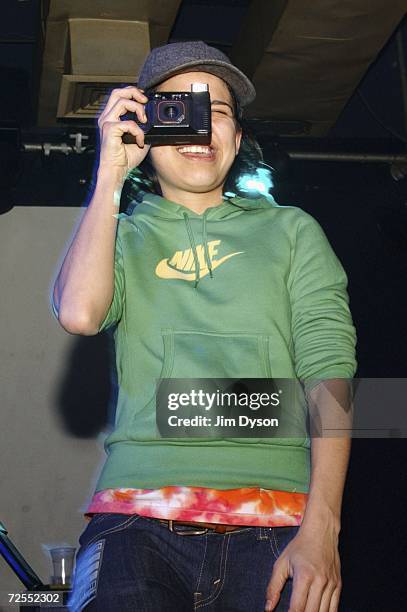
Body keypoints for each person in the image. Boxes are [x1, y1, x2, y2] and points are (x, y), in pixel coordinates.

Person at [52, 41, 357, 612]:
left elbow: (330, 374)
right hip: (135, 520)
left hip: (277, 522)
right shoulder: (118, 237)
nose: (199, 127)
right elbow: (79, 313)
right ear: (146, 125)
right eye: (177, 110)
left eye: (215, 112)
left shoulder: (291, 232)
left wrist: (325, 528)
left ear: (236, 140)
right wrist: (110, 175)